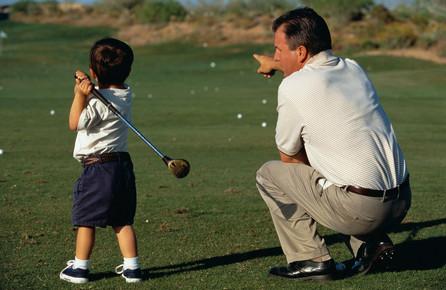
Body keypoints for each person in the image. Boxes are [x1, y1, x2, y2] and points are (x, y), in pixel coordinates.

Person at [253, 7, 411, 280]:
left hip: (361, 210)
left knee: (270, 174)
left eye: (278, 49)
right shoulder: (353, 68)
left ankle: (310, 259)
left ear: (300, 52)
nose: (275, 55)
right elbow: (314, 70)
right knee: (336, 170)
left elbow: (289, 159)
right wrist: (278, 64)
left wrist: (322, 177)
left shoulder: (292, 87)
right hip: (401, 202)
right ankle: (371, 243)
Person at [59, 38, 142, 284]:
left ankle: (80, 268)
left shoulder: (96, 103)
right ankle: (132, 268)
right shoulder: (125, 93)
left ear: (94, 72)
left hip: (98, 168)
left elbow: (74, 123)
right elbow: (108, 88)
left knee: (86, 220)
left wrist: (79, 95)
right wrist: (93, 86)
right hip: (122, 166)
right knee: (122, 220)